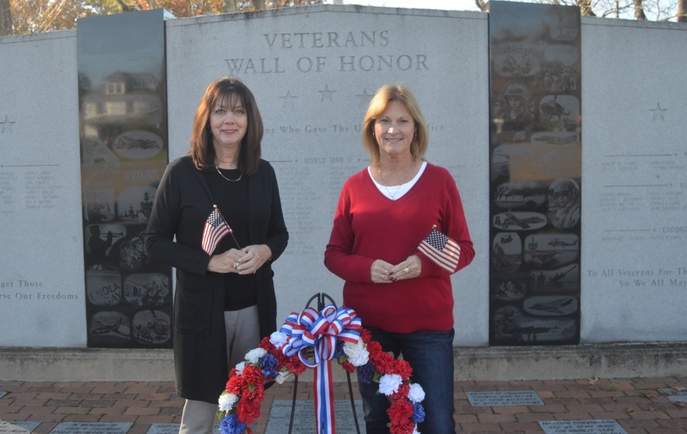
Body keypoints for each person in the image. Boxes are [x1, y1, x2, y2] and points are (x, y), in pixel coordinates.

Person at [324, 84, 475, 434]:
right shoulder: (354, 186)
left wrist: (425, 263)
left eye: (403, 121)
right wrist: (366, 268)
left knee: (437, 422)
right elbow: (334, 255)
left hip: (429, 328)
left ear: (416, 129)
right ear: (372, 129)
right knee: (378, 420)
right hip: (370, 328)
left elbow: (463, 247)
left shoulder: (438, 180)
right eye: (384, 120)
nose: (393, 129)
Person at [145, 76, 289, 434]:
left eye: (238, 111)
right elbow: (154, 241)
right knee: (201, 412)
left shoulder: (263, 173)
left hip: (253, 308)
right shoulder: (181, 173)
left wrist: (266, 250)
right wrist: (209, 262)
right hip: (202, 312)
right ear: (206, 119)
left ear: (249, 120)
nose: (230, 119)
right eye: (220, 110)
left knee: (243, 406)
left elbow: (280, 233)